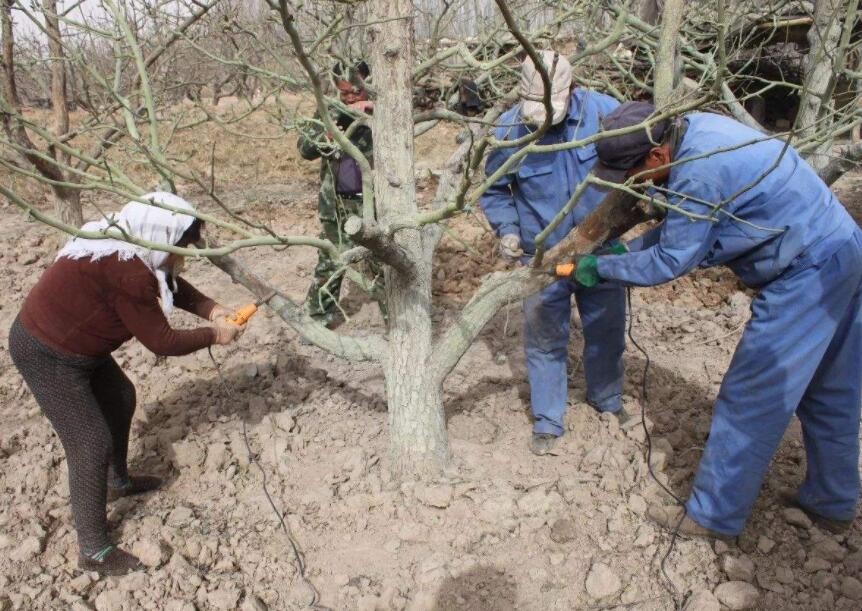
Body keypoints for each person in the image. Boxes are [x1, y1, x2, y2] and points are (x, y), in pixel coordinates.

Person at [577, 101, 861, 538]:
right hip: (843, 249)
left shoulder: (698, 172)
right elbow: (694, 226)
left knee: (752, 394)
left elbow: (673, 258)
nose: (633, 185)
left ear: (657, 156)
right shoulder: (699, 132)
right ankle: (832, 502)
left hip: (808, 270)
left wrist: (605, 268)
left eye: (633, 175)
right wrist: (626, 253)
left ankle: (712, 517)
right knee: (830, 390)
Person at [9, 192, 242, 575]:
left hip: (77, 345)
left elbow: (166, 282)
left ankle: (118, 480)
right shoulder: (126, 271)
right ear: (160, 236)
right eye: (181, 248)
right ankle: (93, 550)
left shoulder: (129, 242)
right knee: (89, 443)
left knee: (119, 397)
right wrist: (215, 335)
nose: (183, 258)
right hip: (46, 352)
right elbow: (162, 342)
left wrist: (211, 309)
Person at [480, 50, 627, 456]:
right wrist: (508, 230)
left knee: (607, 329)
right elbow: (494, 189)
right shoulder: (510, 129)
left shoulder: (604, 115)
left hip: (600, 249)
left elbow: (636, 169)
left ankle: (608, 401)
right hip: (542, 258)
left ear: (572, 89)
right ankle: (548, 420)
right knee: (544, 338)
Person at [297, 60, 385, 327]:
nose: (349, 98)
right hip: (336, 204)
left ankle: (398, 321)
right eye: (343, 93)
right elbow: (305, 148)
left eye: (355, 92)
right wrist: (331, 129)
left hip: (375, 203)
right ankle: (318, 319)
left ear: (368, 85)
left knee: (382, 263)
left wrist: (372, 112)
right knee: (331, 261)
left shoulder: (384, 110)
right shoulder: (330, 112)